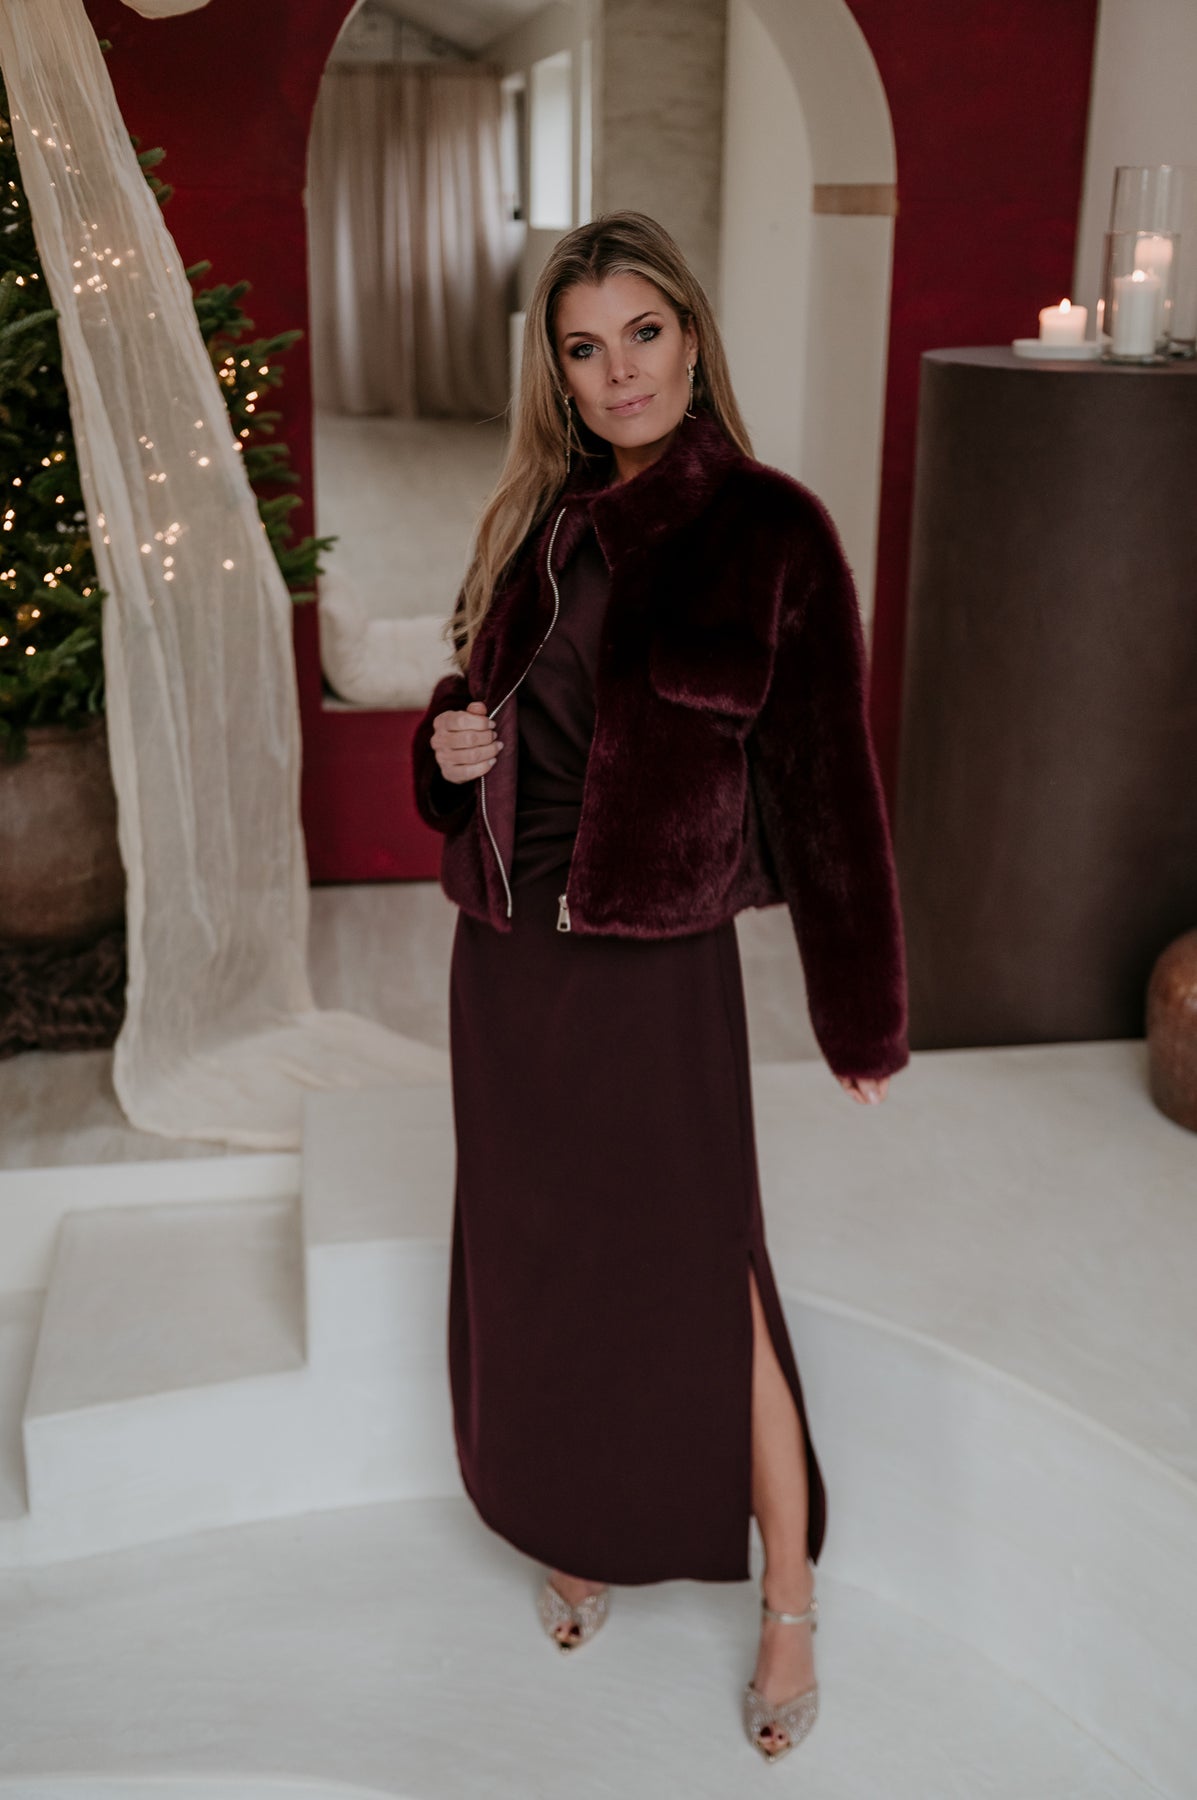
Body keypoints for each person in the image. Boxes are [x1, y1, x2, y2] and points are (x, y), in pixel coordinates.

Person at [410, 210, 909, 1763]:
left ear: (691, 337)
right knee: (545, 1258)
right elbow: (470, 711)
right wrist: (445, 747)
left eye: (641, 333)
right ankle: (578, 1522)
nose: (617, 371)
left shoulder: (770, 533)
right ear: (556, 373)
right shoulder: (533, 519)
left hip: (651, 968)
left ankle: (788, 1595)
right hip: (509, 961)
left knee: (705, 1266)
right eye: (583, 347)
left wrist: (859, 1011)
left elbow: (830, 794)